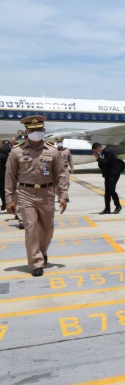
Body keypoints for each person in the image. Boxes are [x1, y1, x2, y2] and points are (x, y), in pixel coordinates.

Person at [4, 116, 69, 276]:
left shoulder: (52, 151)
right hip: (25, 193)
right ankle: (35, 263)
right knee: (32, 228)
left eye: (39, 130)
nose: (36, 132)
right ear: (26, 131)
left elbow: (60, 174)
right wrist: (9, 199)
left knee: (47, 229)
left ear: (44, 131)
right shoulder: (16, 151)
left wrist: (63, 195)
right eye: (32, 130)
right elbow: (10, 176)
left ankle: (42, 250)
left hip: (47, 193)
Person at [91, 142, 124, 214]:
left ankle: (118, 206)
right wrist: (99, 158)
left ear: (98, 148)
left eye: (95, 151)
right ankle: (107, 209)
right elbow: (101, 165)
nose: (95, 152)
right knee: (107, 192)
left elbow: (105, 163)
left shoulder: (108, 151)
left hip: (114, 174)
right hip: (108, 174)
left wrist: (97, 157)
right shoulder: (102, 153)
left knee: (111, 190)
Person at [0, 139, 11, 211]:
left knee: (2, 190)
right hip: (7, 175)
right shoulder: (10, 152)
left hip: (2, 175)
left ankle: (4, 203)